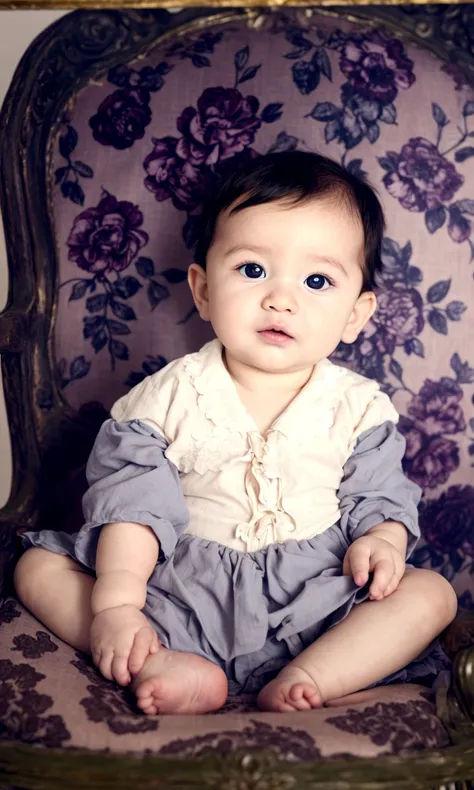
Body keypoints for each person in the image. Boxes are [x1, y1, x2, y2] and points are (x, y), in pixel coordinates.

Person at [15, 151, 457, 716]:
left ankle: (313, 675)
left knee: (431, 594)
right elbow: (133, 506)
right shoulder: (166, 397)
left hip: (318, 606)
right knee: (39, 567)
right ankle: (159, 660)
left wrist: (383, 541)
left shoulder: (360, 408)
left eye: (318, 280)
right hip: (177, 599)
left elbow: (380, 496)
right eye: (252, 270)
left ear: (355, 314)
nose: (281, 298)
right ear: (202, 288)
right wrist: (121, 605)